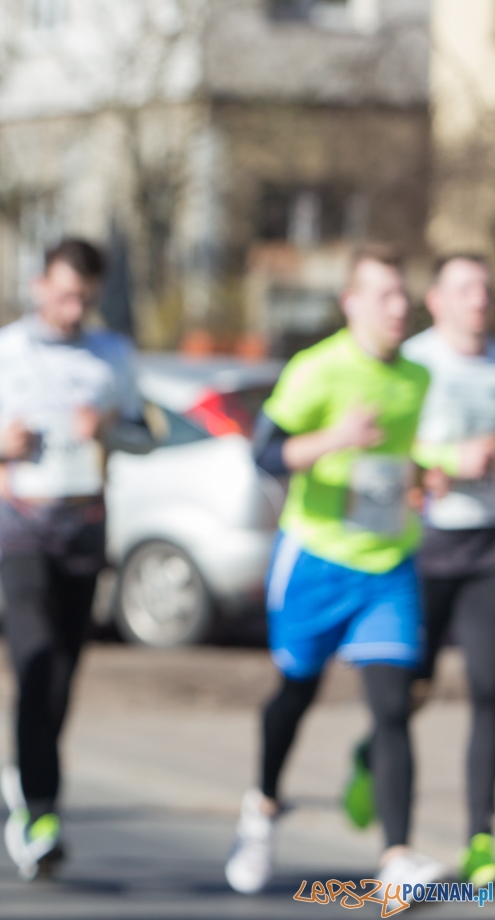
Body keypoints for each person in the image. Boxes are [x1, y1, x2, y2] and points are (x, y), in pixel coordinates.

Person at [224, 244, 450, 897]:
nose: (398, 306)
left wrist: (420, 475)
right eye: (383, 295)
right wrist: (336, 439)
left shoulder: (416, 377)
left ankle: (398, 857)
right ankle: (262, 807)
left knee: (392, 708)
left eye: (403, 295)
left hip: (387, 563)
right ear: (351, 303)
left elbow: (403, 456)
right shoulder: (315, 369)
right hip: (315, 561)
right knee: (294, 693)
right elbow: (265, 453)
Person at [0, 239, 151, 880]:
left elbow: (145, 435)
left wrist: (111, 430)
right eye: (63, 294)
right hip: (21, 527)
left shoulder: (111, 355)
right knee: (34, 664)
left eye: (84, 298)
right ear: (39, 286)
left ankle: (29, 770)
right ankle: (40, 811)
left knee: (63, 676)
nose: (72, 308)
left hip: (85, 525)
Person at [338, 253, 495, 886]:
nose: (479, 299)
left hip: (487, 547)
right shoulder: (415, 365)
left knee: (490, 689)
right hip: (421, 546)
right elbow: (379, 449)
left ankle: (482, 840)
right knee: (408, 692)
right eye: (465, 288)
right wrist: (438, 462)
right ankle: (374, 752)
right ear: (437, 299)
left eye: (486, 288)